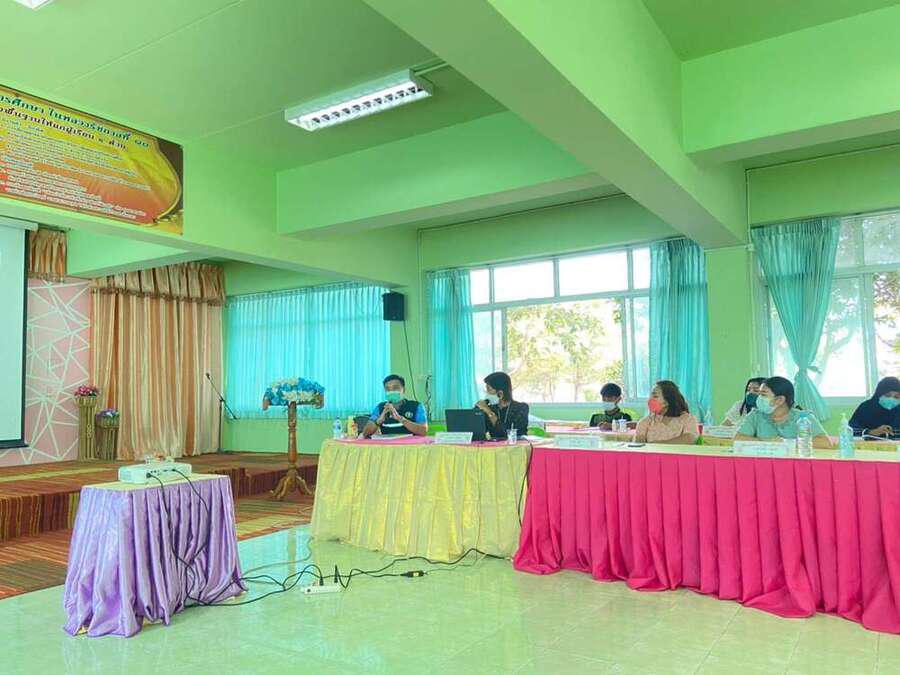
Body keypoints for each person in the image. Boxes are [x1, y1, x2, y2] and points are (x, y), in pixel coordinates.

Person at [735, 376, 831, 449]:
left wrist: (786, 443)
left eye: (763, 395)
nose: (758, 398)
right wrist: (766, 442)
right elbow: (738, 439)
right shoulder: (756, 414)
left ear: (780, 400)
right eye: (759, 394)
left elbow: (825, 443)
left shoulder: (803, 417)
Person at [633, 380, 699, 445]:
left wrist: (657, 445)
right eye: (650, 396)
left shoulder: (687, 419)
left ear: (667, 401)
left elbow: (690, 439)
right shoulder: (645, 422)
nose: (650, 400)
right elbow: (639, 445)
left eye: (655, 396)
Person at [363, 374, 427, 437]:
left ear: (404, 390)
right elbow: (365, 433)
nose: (391, 391)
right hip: (388, 443)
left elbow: (424, 431)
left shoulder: (416, 406)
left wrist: (401, 419)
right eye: (387, 389)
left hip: (411, 443)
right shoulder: (380, 407)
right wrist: (378, 421)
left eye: (395, 388)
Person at [474, 371, 529, 440]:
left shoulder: (521, 408)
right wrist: (477, 411)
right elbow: (476, 431)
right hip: (495, 446)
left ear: (500, 393)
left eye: (489, 389)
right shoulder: (491, 408)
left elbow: (508, 433)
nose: (487, 393)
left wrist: (489, 413)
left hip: (517, 445)